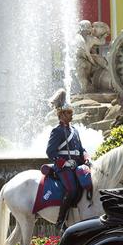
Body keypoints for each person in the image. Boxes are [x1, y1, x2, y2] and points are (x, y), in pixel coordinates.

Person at [46, 89, 89, 230]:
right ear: (61, 114)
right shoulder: (57, 131)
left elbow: (81, 148)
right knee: (71, 189)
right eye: (69, 112)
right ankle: (61, 220)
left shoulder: (75, 130)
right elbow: (50, 151)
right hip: (63, 167)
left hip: (77, 164)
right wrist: (64, 162)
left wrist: (86, 157)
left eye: (71, 112)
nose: (72, 114)